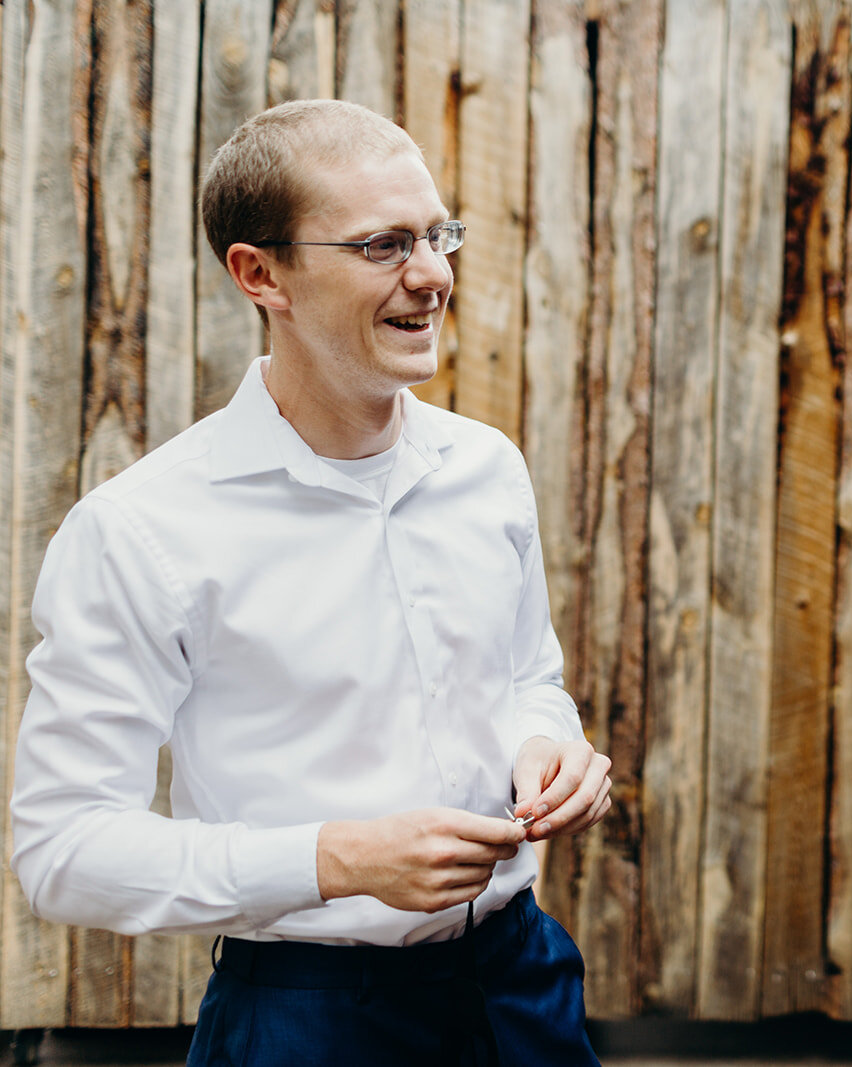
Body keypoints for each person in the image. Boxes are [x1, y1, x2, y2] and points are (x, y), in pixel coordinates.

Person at [9, 99, 611, 1066]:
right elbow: (64, 852)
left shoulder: (487, 467)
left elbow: (527, 677)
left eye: (436, 234)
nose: (433, 275)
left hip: (524, 985)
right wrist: (335, 860)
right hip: (306, 1020)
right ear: (261, 273)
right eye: (383, 245)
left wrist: (551, 744)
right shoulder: (140, 530)